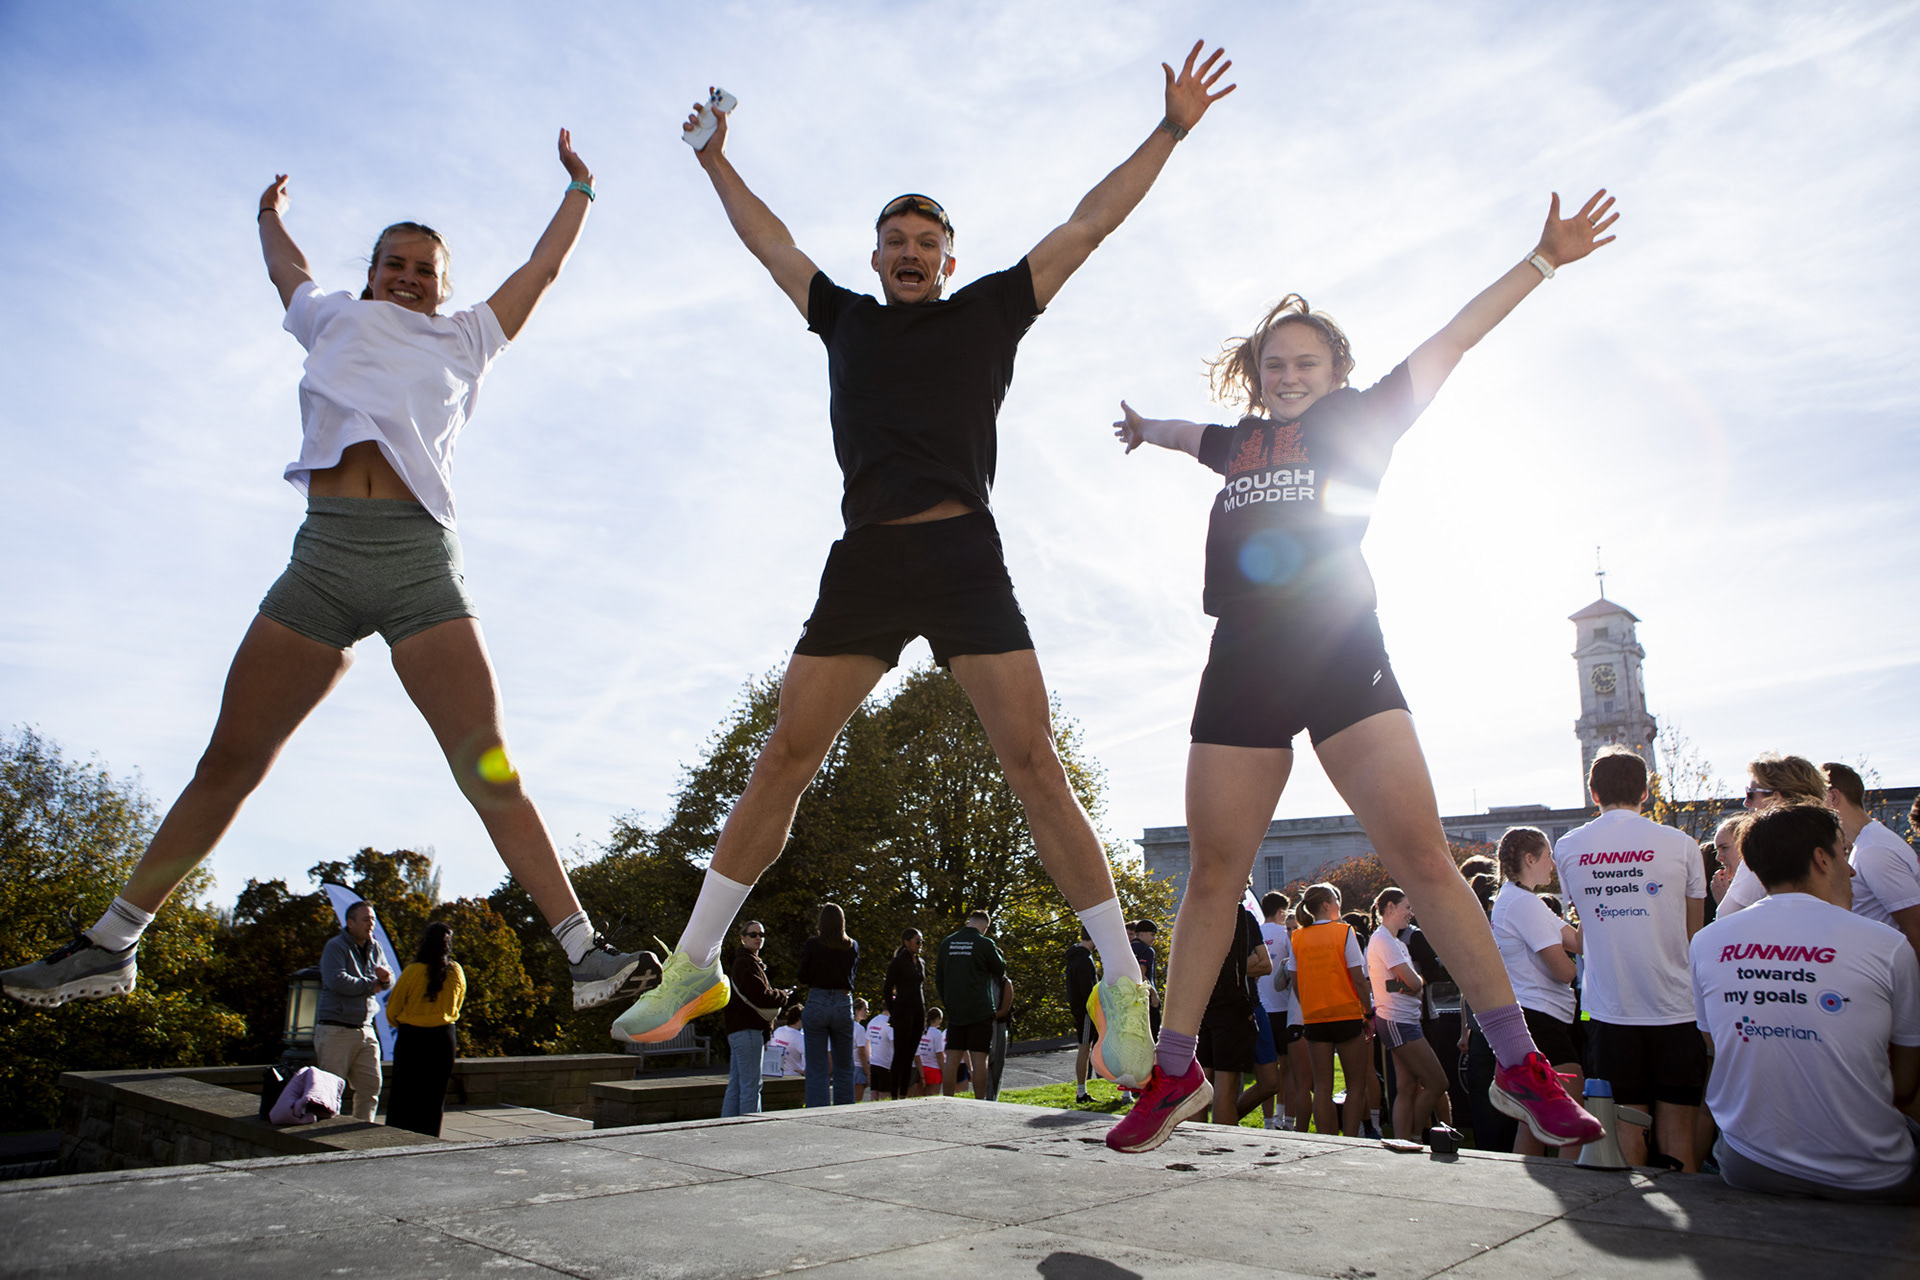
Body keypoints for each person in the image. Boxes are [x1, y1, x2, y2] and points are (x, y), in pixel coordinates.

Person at [612, 46, 1239, 1086]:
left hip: (960, 552)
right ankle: (698, 960)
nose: (910, 252)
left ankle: (1122, 981)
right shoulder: (843, 318)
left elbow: (1089, 222)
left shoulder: (990, 310)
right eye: (894, 240)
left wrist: (1169, 130)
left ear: (950, 258)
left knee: (1032, 762)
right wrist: (717, 160)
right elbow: (771, 245)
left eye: (926, 241)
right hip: (865, 558)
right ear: (875, 257)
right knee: (784, 756)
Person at [1, 132, 654, 1015]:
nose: (408, 277)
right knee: (230, 758)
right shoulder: (331, 314)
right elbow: (287, 271)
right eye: (394, 263)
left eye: (424, 268)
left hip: (420, 563)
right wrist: (267, 215)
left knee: (487, 767)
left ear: (443, 283)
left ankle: (585, 952)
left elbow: (539, 272)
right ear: (374, 270)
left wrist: (578, 190)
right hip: (324, 558)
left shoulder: (468, 337)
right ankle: (110, 946)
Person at [1101, 189, 1616, 1154]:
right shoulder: (1238, 443)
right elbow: (1184, 433)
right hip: (1244, 660)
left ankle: (1519, 1064)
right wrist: (1145, 430)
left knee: (1421, 856)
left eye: (1306, 361)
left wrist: (1541, 260)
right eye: (1273, 363)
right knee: (1213, 870)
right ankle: (1173, 1076)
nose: (1289, 374)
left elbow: (1455, 339)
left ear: (1336, 368)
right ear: (1256, 377)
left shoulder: (1367, 416)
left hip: (1342, 646)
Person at [1691, 803, 1920, 1202]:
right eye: (1843, 854)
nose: (1851, 871)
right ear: (1821, 860)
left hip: (1750, 1163)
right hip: (1873, 1173)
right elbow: (1906, 1079)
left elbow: (1718, 1046)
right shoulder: (1887, 945)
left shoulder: (1708, 942)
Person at [1554, 747, 1709, 1170]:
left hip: (1610, 1009)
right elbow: (1693, 934)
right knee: (1678, 1131)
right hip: (1675, 1007)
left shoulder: (1568, 847)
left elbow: (1586, 924)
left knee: (1626, 1130)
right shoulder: (1682, 845)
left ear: (1593, 792)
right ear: (1645, 791)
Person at [1489, 830, 1585, 1158]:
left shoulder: (1520, 899)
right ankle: (1574, 1190)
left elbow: (1579, 943)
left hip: (1538, 1014)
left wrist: (1587, 901)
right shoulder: (1523, 904)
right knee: (1570, 1111)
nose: (1553, 864)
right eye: (1548, 856)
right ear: (1530, 860)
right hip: (1539, 1015)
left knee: (1535, 1118)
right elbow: (1566, 971)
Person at [1368, 889, 1459, 1148]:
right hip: (1399, 1022)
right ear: (1389, 908)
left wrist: (1408, 983)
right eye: (1406, 907)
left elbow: (1396, 984)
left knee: (1407, 1087)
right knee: (1438, 1082)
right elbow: (1411, 984)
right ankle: (1417, 1136)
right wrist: (1412, 982)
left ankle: (1403, 1140)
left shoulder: (1395, 942)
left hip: (1406, 1020)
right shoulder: (1383, 940)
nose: (1411, 913)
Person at [1283, 885, 1374, 1136]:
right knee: (1355, 1084)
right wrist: (1368, 1012)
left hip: (1314, 1017)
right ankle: (1352, 1138)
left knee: (1322, 1086)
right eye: (1335, 899)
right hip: (1346, 1014)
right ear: (1326, 904)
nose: (1338, 904)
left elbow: (1296, 980)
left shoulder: (1299, 937)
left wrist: (1310, 1006)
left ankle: (1327, 1139)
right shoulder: (1344, 931)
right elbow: (1358, 979)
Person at [1825, 762, 1920, 958]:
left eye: (1812, 799)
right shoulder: (1867, 843)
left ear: (1833, 797)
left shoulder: (1874, 849)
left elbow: (1916, 929)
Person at [1716, 753, 1829, 914]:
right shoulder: (1832, 841)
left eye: (1751, 794)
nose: (1745, 802)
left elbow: (1726, 915)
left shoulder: (1764, 849)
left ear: (1776, 799)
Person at [384, 921, 466, 1137]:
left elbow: (392, 1008)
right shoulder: (456, 971)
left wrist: (402, 1022)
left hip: (413, 1038)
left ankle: (397, 1137)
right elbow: (458, 1004)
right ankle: (429, 1139)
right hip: (443, 1038)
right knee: (434, 1096)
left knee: (404, 1093)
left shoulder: (412, 972)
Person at [315, 901, 390, 1122]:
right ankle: (326, 1138)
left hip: (365, 1029)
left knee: (371, 1086)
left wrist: (384, 979)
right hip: (336, 1029)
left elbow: (389, 978)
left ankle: (360, 1136)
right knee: (330, 1090)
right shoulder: (335, 947)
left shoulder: (375, 947)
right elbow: (337, 981)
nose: (371, 924)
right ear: (350, 922)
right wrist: (372, 984)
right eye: (366, 919)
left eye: (373, 919)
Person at [1198, 902, 1269, 1126]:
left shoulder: (1199, 913)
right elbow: (1264, 964)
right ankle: (1223, 1146)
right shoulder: (1241, 915)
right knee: (1225, 1088)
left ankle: (1196, 1144)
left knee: (1201, 1088)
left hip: (1203, 1003)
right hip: (1232, 1004)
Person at [722, 920, 790, 1117]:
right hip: (748, 1029)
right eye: (753, 934)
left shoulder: (746, 962)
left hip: (737, 1031)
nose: (758, 938)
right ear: (742, 938)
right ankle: (750, 1128)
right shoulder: (746, 962)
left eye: (761, 934)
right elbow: (760, 995)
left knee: (736, 1084)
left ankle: (727, 1127)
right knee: (751, 1085)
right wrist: (782, 996)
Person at [938, 911, 1007, 1097]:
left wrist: (948, 1004)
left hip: (956, 1009)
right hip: (980, 1009)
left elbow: (939, 978)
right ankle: (979, 1101)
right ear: (985, 927)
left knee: (952, 1058)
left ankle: (947, 1099)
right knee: (979, 1059)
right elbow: (1000, 969)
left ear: (968, 922)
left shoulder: (947, 943)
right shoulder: (984, 943)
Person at [797, 904, 860, 1107]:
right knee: (844, 1065)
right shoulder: (851, 946)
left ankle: (818, 1109)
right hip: (842, 1001)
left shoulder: (813, 944)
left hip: (818, 999)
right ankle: (844, 1108)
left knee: (817, 1066)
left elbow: (803, 976)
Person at [881, 929, 927, 1099]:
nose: (920, 945)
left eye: (921, 941)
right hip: (903, 1011)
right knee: (900, 1054)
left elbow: (920, 987)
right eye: (917, 941)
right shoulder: (898, 962)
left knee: (910, 1055)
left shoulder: (921, 962)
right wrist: (894, 1011)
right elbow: (887, 988)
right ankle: (894, 1094)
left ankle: (904, 1094)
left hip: (918, 1011)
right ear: (907, 942)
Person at [1066, 926, 1099, 1103]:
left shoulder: (1076, 957)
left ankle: (1082, 1091)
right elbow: (1089, 991)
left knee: (1086, 1049)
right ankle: (1081, 1092)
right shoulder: (1084, 960)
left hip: (1082, 1009)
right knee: (1084, 1049)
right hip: (1086, 1012)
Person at [1130, 920, 1163, 1042]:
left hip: (1131, 999)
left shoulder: (1128, 948)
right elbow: (1140, 974)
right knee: (1153, 1037)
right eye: (1152, 934)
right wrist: (1154, 994)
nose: (1154, 938)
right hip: (1145, 999)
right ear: (1142, 934)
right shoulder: (1147, 950)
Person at [765, 1005, 806, 1079]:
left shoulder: (778, 1031)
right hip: (793, 1076)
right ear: (800, 1018)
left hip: (775, 1073)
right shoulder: (800, 1037)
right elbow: (807, 1060)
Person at [866, 1003, 893, 1101]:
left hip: (874, 1062)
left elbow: (867, 1043)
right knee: (884, 1097)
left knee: (874, 1095)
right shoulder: (890, 1023)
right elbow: (895, 1044)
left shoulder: (873, 1021)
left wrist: (868, 1060)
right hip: (886, 1064)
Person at [916, 1008, 948, 1093]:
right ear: (937, 1019)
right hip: (933, 1069)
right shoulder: (937, 1033)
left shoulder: (921, 1030)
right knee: (932, 1099)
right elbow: (939, 1054)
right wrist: (943, 1070)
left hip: (920, 1068)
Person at [853, 998, 873, 1102]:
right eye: (865, 1009)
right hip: (858, 1066)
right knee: (857, 1100)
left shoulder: (847, 1026)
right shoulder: (859, 1029)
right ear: (857, 1011)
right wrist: (867, 1071)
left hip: (847, 1065)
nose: (867, 1012)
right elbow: (861, 1052)